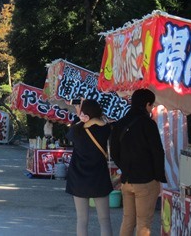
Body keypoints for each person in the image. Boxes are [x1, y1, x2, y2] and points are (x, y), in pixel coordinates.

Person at [110, 88, 166, 236]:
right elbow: (157, 152)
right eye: (151, 105)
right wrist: (159, 177)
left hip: (127, 180)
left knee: (128, 220)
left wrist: (125, 167)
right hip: (146, 180)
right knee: (144, 222)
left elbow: (114, 152)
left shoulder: (120, 123)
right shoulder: (148, 124)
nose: (152, 108)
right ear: (146, 104)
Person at [65, 99, 113, 236]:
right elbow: (103, 123)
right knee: (104, 220)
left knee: (82, 220)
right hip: (99, 178)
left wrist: (78, 115)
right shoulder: (105, 128)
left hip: (78, 178)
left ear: (83, 112)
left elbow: (70, 133)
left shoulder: (77, 130)